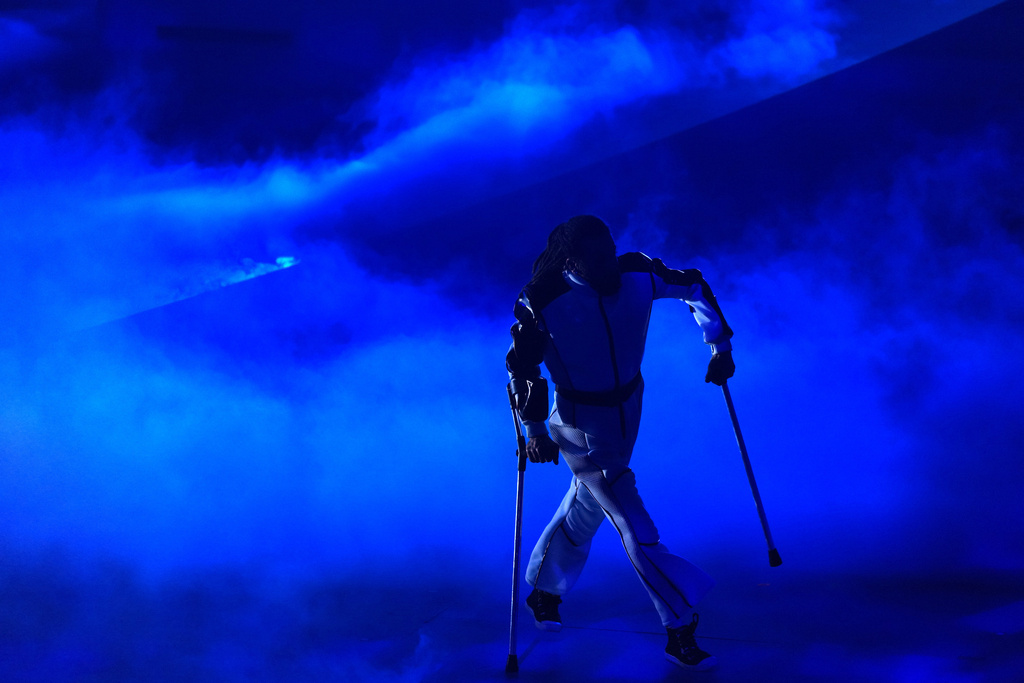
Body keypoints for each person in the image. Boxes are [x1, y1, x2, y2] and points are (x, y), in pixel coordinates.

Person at [505, 215, 734, 671]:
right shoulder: (542, 298)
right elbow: (521, 367)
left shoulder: (638, 273)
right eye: (596, 258)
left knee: (589, 504)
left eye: (610, 251)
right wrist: (532, 430)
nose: (609, 265)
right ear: (572, 261)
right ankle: (680, 625)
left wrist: (719, 345)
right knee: (631, 521)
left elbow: (693, 285)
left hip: (629, 408)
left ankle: (544, 590)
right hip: (577, 423)